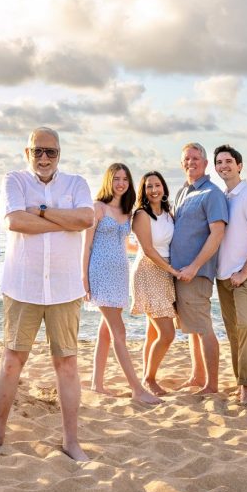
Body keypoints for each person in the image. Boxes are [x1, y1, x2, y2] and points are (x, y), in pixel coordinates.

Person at [0, 128, 94, 461]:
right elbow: (16, 222)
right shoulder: (14, 180)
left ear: (59, 153)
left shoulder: (77, 184)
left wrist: (41, 211)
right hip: (22, 286)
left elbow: (86, 218)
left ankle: (71, 441)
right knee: (12, 362)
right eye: (38, 151)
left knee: (68, 365)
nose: (44, 158)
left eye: (51, 152)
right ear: (26, 152)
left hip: (65, 287)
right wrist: (64, 220)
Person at [83, 163, 161, 405]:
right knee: (119, 332)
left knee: (106, 330)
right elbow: (86, 245)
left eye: (125, 178)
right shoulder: (98, 208)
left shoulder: (128, 212)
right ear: (109, 180)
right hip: (100, 273)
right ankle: (137, 389)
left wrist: (145, 248)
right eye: (116, 178)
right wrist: (83, 277)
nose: (121, 183)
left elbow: (124, 242)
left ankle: (97, 383)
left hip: (120, 274)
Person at [169, 142, 228, 395]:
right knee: (191, 328)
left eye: (195, 158)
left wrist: (194, 266)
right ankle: (197, 375)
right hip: (178, 273)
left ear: (205, 164)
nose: (190, 162)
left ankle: (211, 385)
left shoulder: (212, 194)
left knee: (203, 328)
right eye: (186, 159)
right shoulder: (182, 192)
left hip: (196, 273)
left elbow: (217, 234)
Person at [213, 145, 247, 406]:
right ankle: (239, 381)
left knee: (246, 327)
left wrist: (245, 271)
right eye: (219, 162)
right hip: (222, 276)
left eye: (228, 161)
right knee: (233, 332)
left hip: (245, 275)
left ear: (239, 166)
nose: (224, 166)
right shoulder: (222, 196)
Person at [130, 171, 180, 397]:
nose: (154, 190)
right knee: (167, 334)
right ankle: (149, 379)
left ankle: (146, 377)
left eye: (157, 185)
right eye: (149, 186)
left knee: (153, 331)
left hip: (165, 271)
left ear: (164, 187)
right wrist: (171, 270)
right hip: (149, 271)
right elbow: (148, 250)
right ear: (144, 190)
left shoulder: (169, 214)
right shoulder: (141, 215)